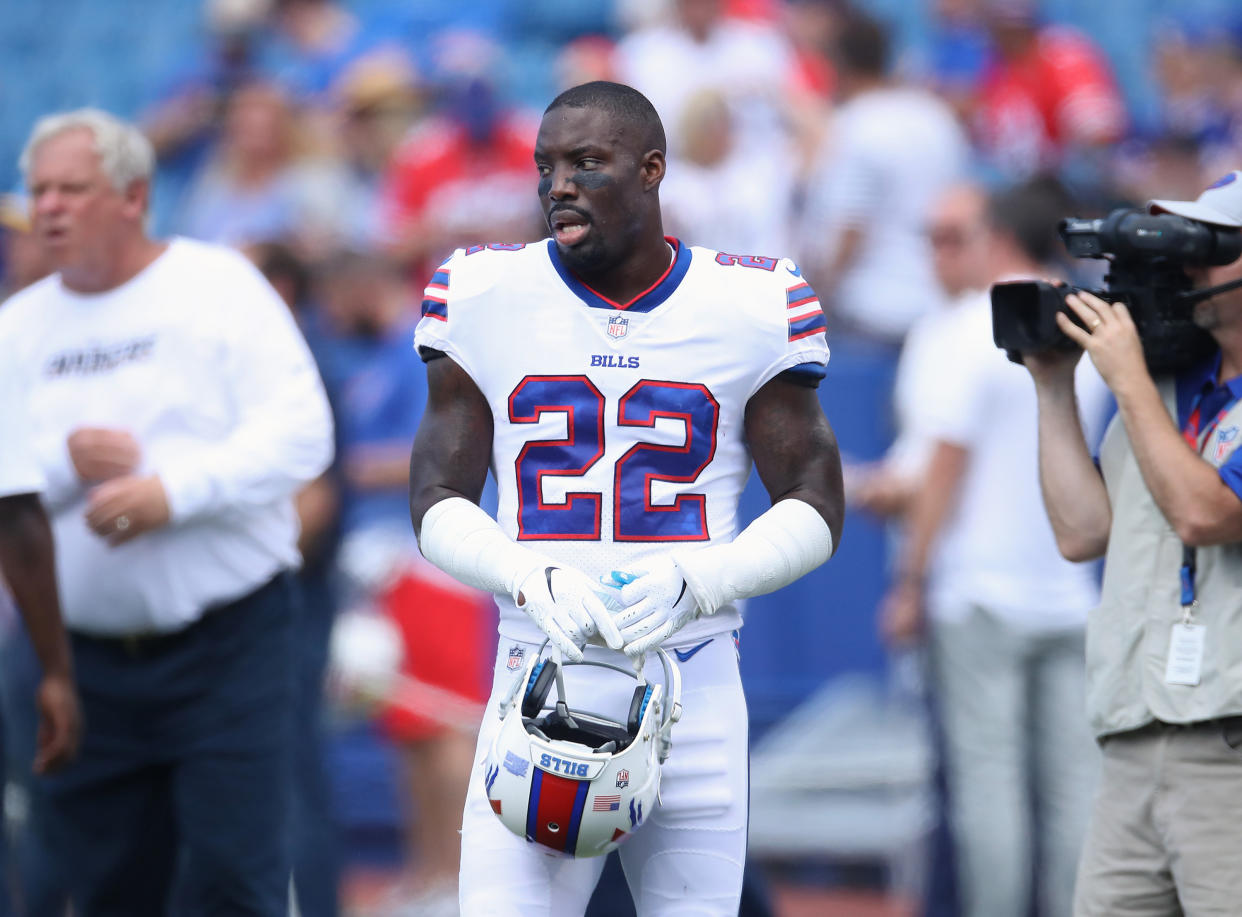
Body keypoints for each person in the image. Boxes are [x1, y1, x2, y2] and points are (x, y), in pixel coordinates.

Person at [407, 80, 845, 916]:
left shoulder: (752, 302)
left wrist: (703, 581)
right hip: (535, 670)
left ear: (652, 171)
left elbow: (816, 501)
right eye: (545, 166)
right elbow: (435, 496)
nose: (557, 185)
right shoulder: (483, 292)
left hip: (694, 677)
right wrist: (526, 574)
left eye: (585, 162)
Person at [0, 108, 334, 916]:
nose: (47, 206)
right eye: (39, 189)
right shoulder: (17, 330)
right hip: (78, 657)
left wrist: (171, 494)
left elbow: (302, 436)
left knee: (231, 877)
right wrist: (65, 470)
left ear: (133, 196)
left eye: (71, 188)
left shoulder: (218, 285)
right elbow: (11, 492)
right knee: (96, 887)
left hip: (229, 642)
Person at [881, 178, 1108, 917]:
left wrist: (910, 580)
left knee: (990, 790)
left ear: (996, 237)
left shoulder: (960, 329)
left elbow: (941, 467)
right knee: (1072, 789)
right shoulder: (1093, 327)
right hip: (1068, 590)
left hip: (978, 590)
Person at [1025, 170, 1242, 915]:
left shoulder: (1148, 390)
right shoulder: (1168, 386)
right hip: (1133, 736)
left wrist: (1129, 385)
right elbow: (1083, 533)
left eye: (1207, 250)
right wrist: (1054, 388)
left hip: (1229, 749)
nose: (1183, 270)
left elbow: (1205, 513)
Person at [799, 9, 968, 348]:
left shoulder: (855, 125)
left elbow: (850, 229)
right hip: (938, 305)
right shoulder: (936, 115)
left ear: (838, 65)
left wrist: (818, 297)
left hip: (872, 310)